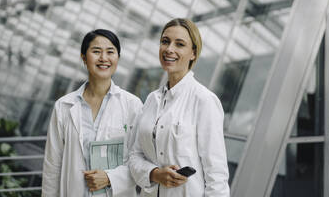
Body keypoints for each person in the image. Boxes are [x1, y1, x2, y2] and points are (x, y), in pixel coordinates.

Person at [129, 18, 230, 196]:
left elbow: (216, 174)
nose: (169, 49)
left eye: (180, 44)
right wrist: (154, 174)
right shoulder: (151, 100)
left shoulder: (204, 101)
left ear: (193, 53)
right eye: (165, 42)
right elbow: (135, 156)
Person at [42, 29, 143, 197]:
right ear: (83, 58)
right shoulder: (64, 106)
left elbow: (140, 160)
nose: (103, 58)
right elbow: (52, 166)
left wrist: (111, 178)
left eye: (110, 52)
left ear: (118, 57)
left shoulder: (132, 105)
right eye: (96, 51)